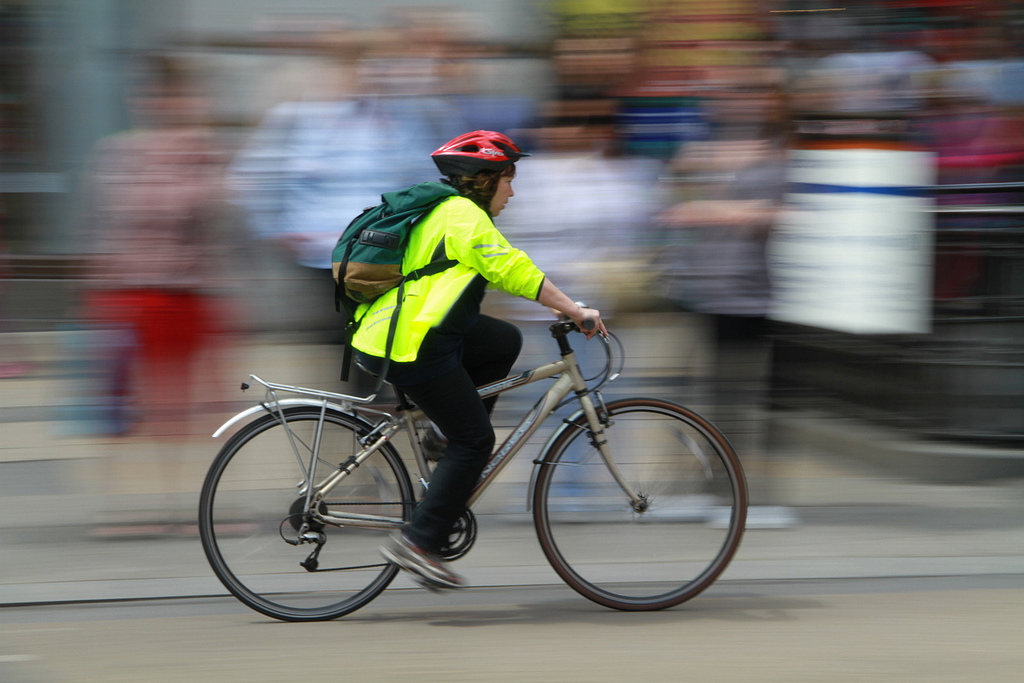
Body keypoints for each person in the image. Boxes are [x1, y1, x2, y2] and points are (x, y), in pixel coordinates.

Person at [351, 130, 606, 589]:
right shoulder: (462, 215)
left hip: (406, 331)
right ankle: (418, 542)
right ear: (483, 180)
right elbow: (509, 265)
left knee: (502, 340)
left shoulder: (450, 211)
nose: (513, 190)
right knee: (477, 440)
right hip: (413, 344)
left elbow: (499, 269)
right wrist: (572, 308)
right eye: (508, 179)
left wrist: (552, 301)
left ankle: (442, 438)